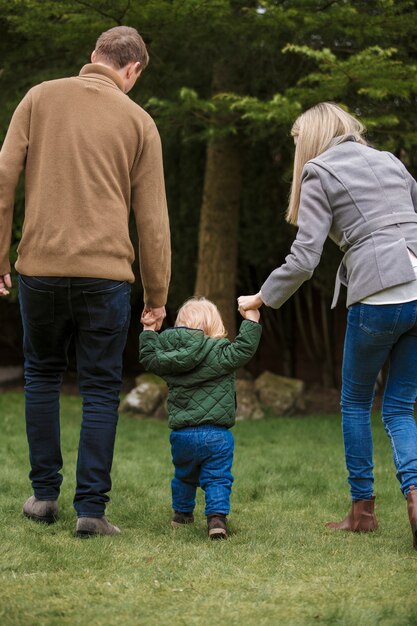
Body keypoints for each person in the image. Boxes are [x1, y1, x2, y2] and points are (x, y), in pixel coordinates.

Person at [0, 26, 171, 537]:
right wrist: (157, 295)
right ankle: (91, 512)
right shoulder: (139, 121)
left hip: (40, 270)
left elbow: (3, 181)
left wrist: (0, 256)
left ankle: (43, 497)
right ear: (132, 69)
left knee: (42, 375)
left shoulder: (38, 98)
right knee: (99, 388)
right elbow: (154, 220)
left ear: (92, 56)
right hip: (106, 277)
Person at [238, 102, 417, 548]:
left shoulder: (318, 171)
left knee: (355, 401)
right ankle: (415, 495)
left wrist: (262, 296)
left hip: (379, 292)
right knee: (399, 406)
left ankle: (363, 512)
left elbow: (304, 259)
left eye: (298, 141)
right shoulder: (390, 160)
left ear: (312, 137)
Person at [139, 297, 262, 539]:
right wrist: (251, 321)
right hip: (216, 434)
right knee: (217, 477)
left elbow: (148, 357)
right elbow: (245, 348)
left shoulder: (171, 357)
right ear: (213, 324)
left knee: (184, 476)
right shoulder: (221, 353)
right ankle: (216, 520)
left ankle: (181, 516)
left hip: (182, 435)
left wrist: (148, 330)